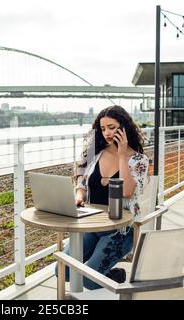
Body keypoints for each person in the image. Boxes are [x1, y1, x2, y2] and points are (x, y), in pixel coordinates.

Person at [55, 105, 149, 289]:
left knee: (88, 280)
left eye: (112, 127)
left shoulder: (139, 160)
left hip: (120, 229)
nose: (106, 132)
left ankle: (114, 276)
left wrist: (122, 155)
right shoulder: (96, 153)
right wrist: (79, 196)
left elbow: (128, 192)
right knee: (63, 271)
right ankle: (103, 270)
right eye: (103, 128)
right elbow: (81, 183)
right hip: (92, 223)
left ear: (124, 127)